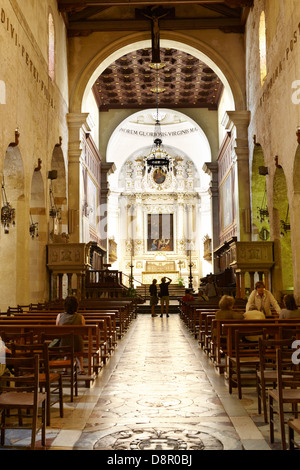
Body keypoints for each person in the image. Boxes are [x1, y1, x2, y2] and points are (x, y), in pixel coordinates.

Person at [56, 296, 86, 374]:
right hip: (77, 345)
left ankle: (64, 369)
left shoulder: (59, 316)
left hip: (64, 345)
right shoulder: (81, 317)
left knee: (67, 342)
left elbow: (57, 330)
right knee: (77, 341)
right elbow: (83, 332)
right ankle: (81, 369)